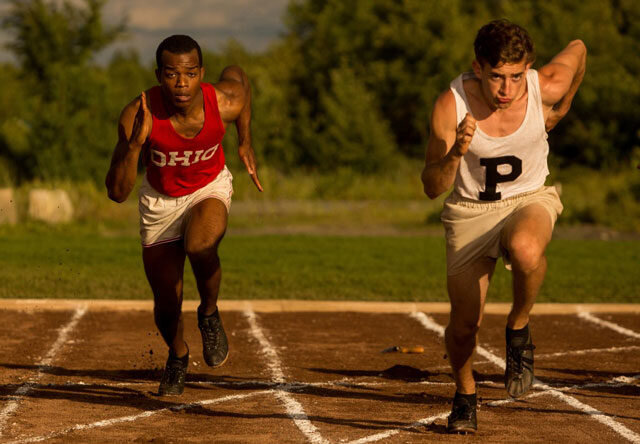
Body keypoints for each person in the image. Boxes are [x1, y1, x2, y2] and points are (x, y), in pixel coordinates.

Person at [421, 19, 586, 433]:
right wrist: (456, 152)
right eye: (497, 77)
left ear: (527, 68)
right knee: (464, 326)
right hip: (470, 212)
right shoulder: (451, 105)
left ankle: (518, 326)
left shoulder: (544, 86)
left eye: (516, 76)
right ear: (478, 68)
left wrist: (563, 108)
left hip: (529, 198)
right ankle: (465, 395)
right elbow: (430, 187)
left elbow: (579, 48)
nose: (507, 90)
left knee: (528, 248)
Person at [106, 35, 263, 396]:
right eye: (172, 74)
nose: (182, 83)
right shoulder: (136, 114)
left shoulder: (224, 102)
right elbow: (116, 193)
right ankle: (178, 355)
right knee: (166, 299)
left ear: (201, 74)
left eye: (190, 74)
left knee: (201, 245)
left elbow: (239, 76)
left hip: (208, 187)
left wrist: (245, 140)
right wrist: (134, 147)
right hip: (160, 201)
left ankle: (208, 312)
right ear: (159, 75)